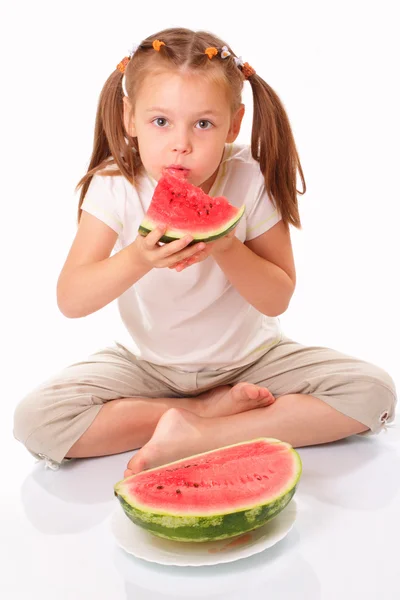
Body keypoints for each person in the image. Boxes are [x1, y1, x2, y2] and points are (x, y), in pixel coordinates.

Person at [13, 28, 396, 479]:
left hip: (253, 360)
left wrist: (226, 245)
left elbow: (277, 298)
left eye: (203, 123)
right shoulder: (114, 183)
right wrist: (137, 257)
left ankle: (202, 434)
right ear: (128, 117)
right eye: (161, 122)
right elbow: (71, 299)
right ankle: (208, 410)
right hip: (148, 366)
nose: (181, 143)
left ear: (233, 124)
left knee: (373, 392)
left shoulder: (250, 179)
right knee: (36, 421)